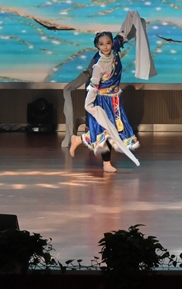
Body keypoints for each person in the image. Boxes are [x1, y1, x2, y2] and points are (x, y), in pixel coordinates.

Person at [63, 11, 155, 172]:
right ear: (97, 45)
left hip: (115, 100)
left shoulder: (115, 49)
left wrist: (132, 17)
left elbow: (122, 34)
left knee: (114, 131)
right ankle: (105, 162)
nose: (105, 46)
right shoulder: (99, 65)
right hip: (101, 100)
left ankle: (80, 140)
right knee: (105, 132)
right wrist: (89, 105)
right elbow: (93, 86)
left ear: (112, 43)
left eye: (108, 43)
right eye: (101, 44)